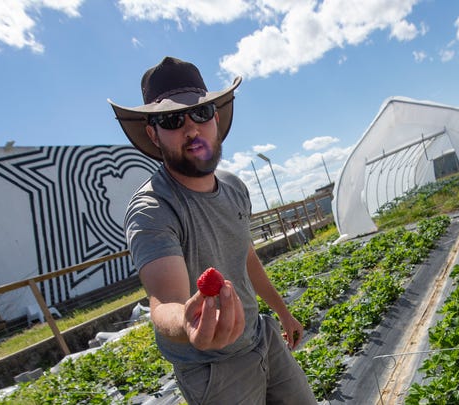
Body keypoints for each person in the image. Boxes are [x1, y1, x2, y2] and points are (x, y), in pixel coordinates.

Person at [108, 56, 316, 404]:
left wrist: (282, 310)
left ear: (215, 119)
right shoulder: (153, 209)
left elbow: (245, 255)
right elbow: (164, 300)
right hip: (214, 371)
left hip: (261, 337)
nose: (191, 129)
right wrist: (188, 324)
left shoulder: (234, 187)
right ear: (153, 135)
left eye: (200, 114)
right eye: (172, 120)